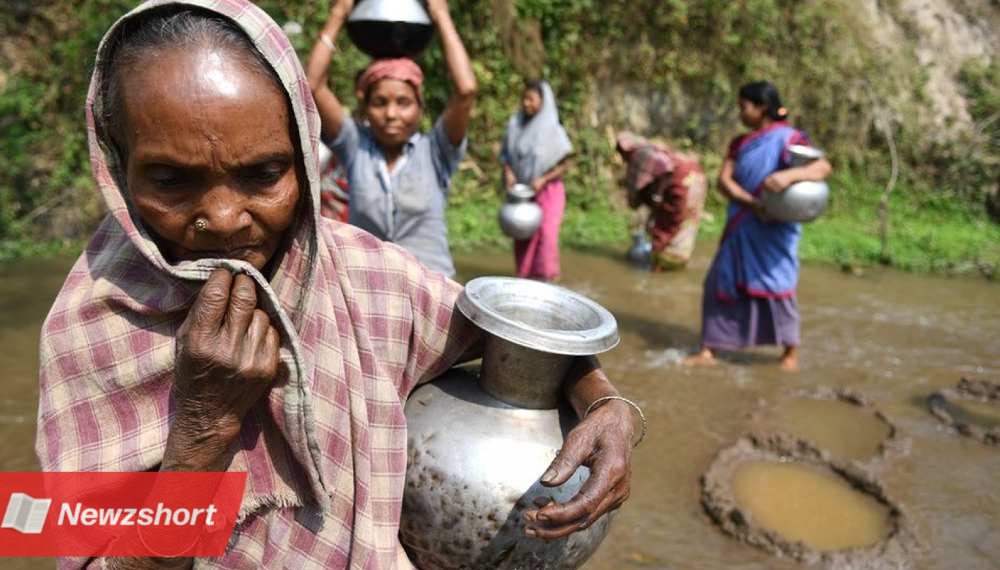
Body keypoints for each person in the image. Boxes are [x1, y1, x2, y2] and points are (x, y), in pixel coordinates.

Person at [35, 2, 639, 567]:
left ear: (302, 156)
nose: (221, 217)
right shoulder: (90, 327)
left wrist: (608, 404)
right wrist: (203, 432)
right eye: (169, 179)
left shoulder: (365, 276)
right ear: (117, 166)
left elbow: (516, 340)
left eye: (263, 174)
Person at [306, 0, 475, 278]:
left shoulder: (435, 152)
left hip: (432, 290)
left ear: (420, 108)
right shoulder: (355, 147)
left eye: (404, 102)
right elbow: (312, 85)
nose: (391, 114)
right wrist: (339, 13)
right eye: (380, 102)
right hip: (370, 290)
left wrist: (441, 16)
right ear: (366, 109)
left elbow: (466, 90)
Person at [684, 81, 832, 371]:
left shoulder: (790, 138)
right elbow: (724, 180)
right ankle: (708, 349)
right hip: (744, 222)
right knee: (719, 283)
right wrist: (751, 202)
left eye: (744, 107)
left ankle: (790, 354)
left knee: (777, 286)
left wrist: (788, 178)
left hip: (775, 228)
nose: (740, 113)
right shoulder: (741, 142)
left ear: (761, 107)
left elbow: (822, 167)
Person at [500, 80, 573, 281]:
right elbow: (505, 155)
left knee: (547, 236)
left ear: (543, 101)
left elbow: (566, 163)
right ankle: (524, 280)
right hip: (523, 192)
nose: (526, 103)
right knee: (523, 237)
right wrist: (508, 172)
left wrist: (543, 179)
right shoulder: (515, 125)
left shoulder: (553, 130)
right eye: (524, 99)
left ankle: (547, 282)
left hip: (549, 191)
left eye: (531, 99)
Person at [614, 131, 707, 270]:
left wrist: (644, 200)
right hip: (695, 178)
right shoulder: (656, 149)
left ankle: (660, 266)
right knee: (686, 222)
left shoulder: (639, 155)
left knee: (667, 225)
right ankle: (677, 262)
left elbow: (636, 194)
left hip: (680, 182)